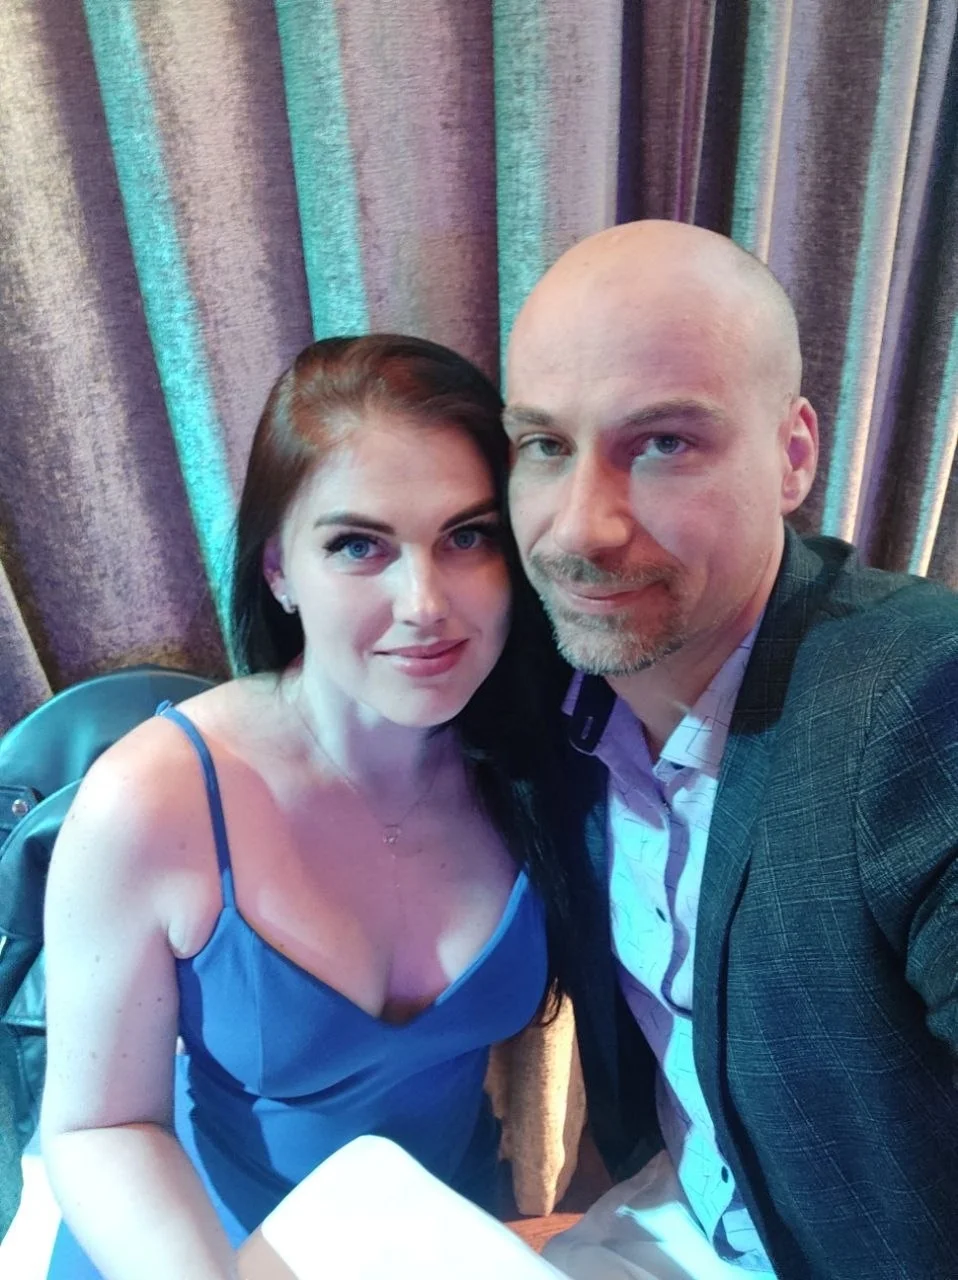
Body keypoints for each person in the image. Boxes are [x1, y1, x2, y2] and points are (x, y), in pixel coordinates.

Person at [40, 335, 571, 1280]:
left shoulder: (548, 760)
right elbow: (100, 1125)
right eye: (359, 545)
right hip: (193, 1249)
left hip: (440, 1242)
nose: (424, 603)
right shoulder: (152, 801)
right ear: (279, 569)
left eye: (468, 537)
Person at [502, 220, 958, 1280]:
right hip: (670, 1216)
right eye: (545, 446)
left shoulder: (919, 699)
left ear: (792, 455)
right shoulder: (547, 695)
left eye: (663, 442)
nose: (582, 528)